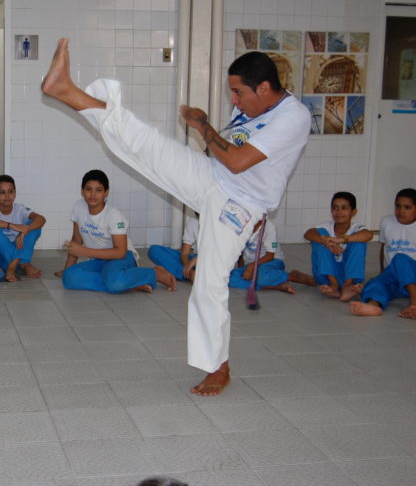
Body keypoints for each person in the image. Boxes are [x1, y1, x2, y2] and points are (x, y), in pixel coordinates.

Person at [42, 38, 310, 396]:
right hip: (213, 177)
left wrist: (203, 126)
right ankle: (66, 90)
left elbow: (238, 160)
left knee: (209, 283)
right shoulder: (254, 105)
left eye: (238, 92)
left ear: (263, 88)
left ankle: (218, 367)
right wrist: (206, 133)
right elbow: (228, 159)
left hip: (240, 206)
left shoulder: (294, 116)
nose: (234, 100)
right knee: (149, 145)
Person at [56, 169, 174, 293]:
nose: (93, 194)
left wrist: (84, 251)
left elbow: (120, 252)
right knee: (69, 277)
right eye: (88, 189)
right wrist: (67, 269)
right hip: (98, 260)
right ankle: (129, 282)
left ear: (106, 193)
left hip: (122, 258)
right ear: (82, 191)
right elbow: (76, 241)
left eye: (98, 190)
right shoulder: (79, 207)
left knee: (114, 281)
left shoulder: (114, 216)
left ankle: (154, 273)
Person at [289, 191, 372, 301]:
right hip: (326, 278)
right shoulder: (326, 227)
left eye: (344, 208)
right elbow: (308, 234)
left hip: (351, 277)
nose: (339, 212)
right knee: (320, 238)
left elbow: (368, 235)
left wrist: (341, 239)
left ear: (353, 212)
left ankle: (348, 285)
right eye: (335, 208)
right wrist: (328, 243)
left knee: (358, 241)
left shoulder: (356, 228)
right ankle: (334, 285)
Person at [350, 188, 416, 318]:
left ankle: (414, 304)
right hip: (394, 276)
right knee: (375, 283)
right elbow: (383, 250)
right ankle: (374, 306)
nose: (401, 211)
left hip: (413, 275)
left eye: (407, 207)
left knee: (400, 259)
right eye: (398, 206)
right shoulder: (387, 222)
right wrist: (383, 274)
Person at [0, 174, 46, 282]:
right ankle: (23, 264)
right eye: (2, 192)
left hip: (17, 249)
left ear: (15, 193)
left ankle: (14, 264)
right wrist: (12, 226)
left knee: (35, 226)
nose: (7, 196)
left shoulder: (20, 208)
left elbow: (41, 219)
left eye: (10, 192)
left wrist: (26, 230)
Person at [228, 218, 294, 294]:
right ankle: (277, 285)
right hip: (251, 263)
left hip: (272, 261)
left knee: (261, 278)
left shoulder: (269, 227)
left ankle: (291, 276)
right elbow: (241, 251)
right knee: (229, 278)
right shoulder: (242, 224)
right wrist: (243, 270)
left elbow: (270, 255)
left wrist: (251, 267)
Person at [148, 213, 199, 284]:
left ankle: (173, 271)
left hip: (209, 261)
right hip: (195, 261)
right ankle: (194, 276)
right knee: (154, 250)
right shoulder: (193, 221)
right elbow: (184, 254)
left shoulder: (215, 220)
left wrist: (198, 259)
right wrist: (189, 270)